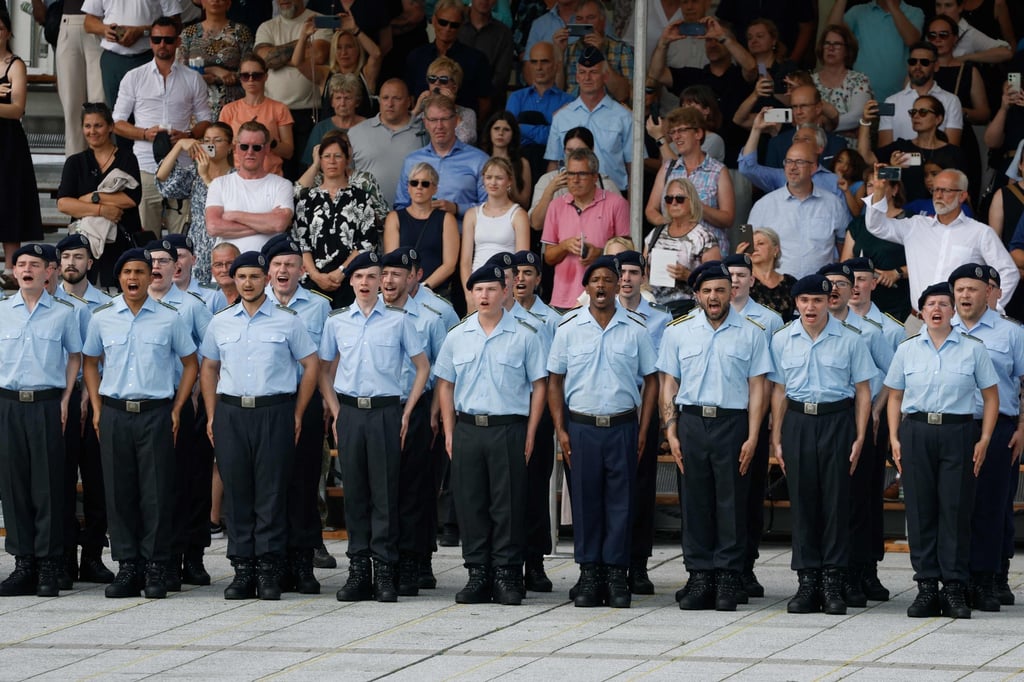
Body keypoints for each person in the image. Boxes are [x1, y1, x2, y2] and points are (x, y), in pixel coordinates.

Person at [199, 250, 319, 600]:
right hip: (232, 412)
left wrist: (297, 412)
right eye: (241, 277)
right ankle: (243, 570)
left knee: (270, 491)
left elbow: (310, 365)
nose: (248, 283)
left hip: (274, 410)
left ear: (266, 279)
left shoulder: (287, 320)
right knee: (237, 492)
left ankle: (269, 570)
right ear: (233, 281)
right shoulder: (221, 321)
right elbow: (208, 367)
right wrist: (211, 413)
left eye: (254, 276)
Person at [82, 248, 199, 599]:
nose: (133, 278)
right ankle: (127, 564)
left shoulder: (169, 317)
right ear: (118, 278)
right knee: (119, 492)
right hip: (116, 413)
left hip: (156, 412)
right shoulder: (102, 317)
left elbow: (191, 363)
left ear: (152, 277)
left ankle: (156, 566)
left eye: (140, 272)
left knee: (157, 493)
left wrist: (178, 407)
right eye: (127, 272)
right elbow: (90, 362)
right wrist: (99, 406)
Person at [659, 261, 772, 611]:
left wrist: (754, 436)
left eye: (720, 290)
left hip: (732, 424)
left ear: (731, 292)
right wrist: (671, 431)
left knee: (732, 503)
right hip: (692, 422)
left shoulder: (751, 332)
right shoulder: (677, 331)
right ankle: (699, 575)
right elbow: (668, 385)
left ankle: (727, 576)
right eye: (707, 291)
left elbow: (758, 388)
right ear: (696, 295)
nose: (714, 296)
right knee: (695, 503)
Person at [547, 255, 658, 608]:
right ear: (585, 286)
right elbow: (554, 380)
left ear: (617, 285)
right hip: (581, 427)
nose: (601, 286)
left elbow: (652, 380)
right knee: (585, 501)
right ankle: (589, 572)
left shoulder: (637, 328)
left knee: (621, 503)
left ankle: (616, 573)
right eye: (595, 280)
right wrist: (560, 429)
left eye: (608, 280)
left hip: (623, 425)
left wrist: (643, 426)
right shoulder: (568, 328)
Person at [319, 251, 430, 603]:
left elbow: (423, 367)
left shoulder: (397, 320)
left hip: (385, 411)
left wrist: (408, 410)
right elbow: (323, 370)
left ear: (382, 279)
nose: (366, 283)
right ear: (350, 281)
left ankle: (384, 570)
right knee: (355, 493)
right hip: (351, 412)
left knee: (384, 494)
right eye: (359, 277)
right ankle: (358, 571)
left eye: (372, 276)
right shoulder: (337, 321)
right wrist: (336, 411)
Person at [433, 263, 546, 605]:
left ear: (505, 292)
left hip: (508, 428)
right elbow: (446, 384)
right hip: (468, 428)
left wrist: (530, 432)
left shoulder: (526, 334)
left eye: (492, 289)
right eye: (478, 290)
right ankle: (477, 572)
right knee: (471, 504)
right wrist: (450, 432)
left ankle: (507, 573)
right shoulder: (458, 335)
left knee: (508, 504)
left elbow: (539, 386)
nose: (484, 296)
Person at [885, 281, 998, 618]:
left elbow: (991, 397)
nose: (936, 309)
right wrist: (893, 437)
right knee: (920, 510)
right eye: (930, 304)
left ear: (952, 312)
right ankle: (926, 587)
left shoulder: (972, 348)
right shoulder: (907, 349)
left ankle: (953, 587)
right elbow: (894, 395)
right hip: (916, 431)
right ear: (921, 311)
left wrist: (985, 438)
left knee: (955, 509)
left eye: (943, 304)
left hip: (958, 431)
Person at [768, 274, 875, 615]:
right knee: (803, 501)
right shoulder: (784, 339)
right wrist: (777, 436)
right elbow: (780, 391)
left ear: (829, 301)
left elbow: (863, 391)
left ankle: (833, 580)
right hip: (798, 422)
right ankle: (807, 580)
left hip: (837, 421)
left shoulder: (850, 339)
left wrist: (860, 436)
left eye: (817, 300)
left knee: (835, 502)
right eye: (804, 301)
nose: (810, 307)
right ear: (796, 303)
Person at [0, 245, 82, 598]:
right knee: (14, 485)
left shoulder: (63, 313)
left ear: (49, 272)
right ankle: (24, 563)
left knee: (48, 484)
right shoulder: (3, 312)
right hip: (9, 404)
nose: (28, 269)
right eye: (21, 264)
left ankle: (50, 564)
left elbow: (75, 357)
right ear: (14, 271)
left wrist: (65, 400)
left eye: (35, 264)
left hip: (48, 404)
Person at [948, 264, 1024, 612]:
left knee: (992, 506)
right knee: (954, 506)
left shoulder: (1010, 333)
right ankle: (956, 578)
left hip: (1000, 428)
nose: (965, 296)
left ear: (990, 293)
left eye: (973, 289)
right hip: (952, 426)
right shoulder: (940, 328)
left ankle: (987, 577)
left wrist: (1022, 430)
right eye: (960, 290)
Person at [378, 247, 447, 596]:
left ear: (413, 277)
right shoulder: (368, 312)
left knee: (416, 488)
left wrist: (436, 411)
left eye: (396, 275)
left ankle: (416, 559)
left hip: (419, 408)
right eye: (384, 273)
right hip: (379, 410)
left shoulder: (435, 314)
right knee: (383, 488)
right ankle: (387, 559)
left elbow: (446, 370)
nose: (389, 281)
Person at [863, 166, 1019, 312]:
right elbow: (876, 226)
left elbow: (1009, 272)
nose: (938, 195)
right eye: (935, 190)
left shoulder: (980, 232)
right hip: (918, 320)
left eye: (945, 190)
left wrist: (990, 309)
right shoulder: (915, 226)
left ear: (962, 196)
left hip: (959, 324)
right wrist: (878, 191)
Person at [111, 16, 214, 236]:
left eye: (168, 40)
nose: (162, 45)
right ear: (150, 42)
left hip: (183, 163)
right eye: (157, 39)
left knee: (181, 237)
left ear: (178, 42)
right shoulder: (134, 77)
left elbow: (206, 119)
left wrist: (187, 135)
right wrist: (144, 133)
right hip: (146, 165)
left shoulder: (193, 78)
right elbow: (117, 123)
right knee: (147, 236)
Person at [53, 234, 115, 589]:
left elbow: (105, 358)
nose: (71, 263)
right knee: (59, 480)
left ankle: (92, 554)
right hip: (57, 402)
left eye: (78, 256)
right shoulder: (48, 302)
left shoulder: (105, 305)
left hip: (95, 400)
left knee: (97, 482)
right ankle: (62, 556)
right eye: (65, 257)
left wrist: (90, 397)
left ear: (90, 263)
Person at [56, 102, 143, 289]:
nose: (92, 131)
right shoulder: (75, 162)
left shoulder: (127, 158)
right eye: (87, 126)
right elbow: (64, 204)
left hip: (121, 241)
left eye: (98, 125)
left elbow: (130, 199)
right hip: (84, 243)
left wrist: (92, 197)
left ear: (110, 127)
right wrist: (103, 210)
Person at [293, 132, 379, 308]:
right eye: (326, 156)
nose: (331, 161)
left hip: (352, 280)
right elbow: (302, 242)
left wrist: (341, 272)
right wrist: (316, 275)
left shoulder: (361, 198)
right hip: (313, 281)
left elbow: (367, 242)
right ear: (320, 161)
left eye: (338, 156)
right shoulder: (307, 199)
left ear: (347, 160)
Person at [540, 148, 630, 311]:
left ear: (595, 176)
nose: (575, 180)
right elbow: (548, 258)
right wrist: (564, 246)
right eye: (570, 174)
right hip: (563, 299)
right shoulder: (556, 205)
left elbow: (628, 254)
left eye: (581, 174)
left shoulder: (617, 204)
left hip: (605, 299)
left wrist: (600, 254)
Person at [253, 0, 332, 180]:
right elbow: (265, 60)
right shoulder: (267, 26)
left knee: (308, 171)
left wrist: (277, 56)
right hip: (274, 114)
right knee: (278, 173)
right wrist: (303, 45)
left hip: (310, 113)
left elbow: (318, 55)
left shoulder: (318, 20)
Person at [747, 143, 849, 280]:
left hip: (820, 290)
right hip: (776, 290)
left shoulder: (834, 203)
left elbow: (844, 247)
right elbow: (746, 246)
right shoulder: (763, 204)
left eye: (799, 162)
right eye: (788, 161)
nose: (792, 167)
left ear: (813, 168)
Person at [644, 107, 735, 253]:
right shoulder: (668, 169)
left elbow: (728, 218)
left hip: (707, 254)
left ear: (698, 133)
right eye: (673, 132)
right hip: (673, 252)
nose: (676, 137)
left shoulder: (718, 171)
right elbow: (650, 210)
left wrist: (696, 206)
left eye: (682, 130)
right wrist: (670, 224)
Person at [156, 122, 235, 286]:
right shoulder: (195, 172)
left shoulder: (237, 176)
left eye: (217, 140)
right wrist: (179, 146)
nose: (210, 145)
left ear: (230, 146)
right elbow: (162, 178)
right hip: (197, 242)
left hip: (225, 241)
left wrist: (205, 175)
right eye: (206, 140)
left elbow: (229, 204)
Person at [545, 48, 633, 193]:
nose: (587, 78)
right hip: (570, 197)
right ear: (577, 77)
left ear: (605, 76)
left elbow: (633, 167)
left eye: (593, 72)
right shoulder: (561, 117)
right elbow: (553, 163)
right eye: (582, 72)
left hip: (613, 196)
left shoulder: (624, 116)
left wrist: (631, 209)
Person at [394, 94, 488, 224]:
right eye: (433, 120)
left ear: (456, 121)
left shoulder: (479, 160)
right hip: (420, 239)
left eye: (444, 119)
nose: (439, 126)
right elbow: (401, 206)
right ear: (425, 123)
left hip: (463, 239)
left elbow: (491, 208)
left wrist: (457, 208)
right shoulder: (412, 161)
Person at [0, 9, 43, 285]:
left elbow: (16, 109)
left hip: (7, 142)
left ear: (10, 31)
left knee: (8, 197)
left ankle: (10, 269)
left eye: (1, 28)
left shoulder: (15, 64)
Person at [205, 120, 294, 254]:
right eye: (244, 147)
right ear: (236, 148)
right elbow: (213, 227)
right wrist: (265, 224)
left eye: (257, 147)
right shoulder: (219, 184)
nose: (250, 152)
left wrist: (234, 215)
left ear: (267, 149)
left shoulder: (282, 184)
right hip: (228, 269)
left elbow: (279, 224)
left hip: (267, 268)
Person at [643, 177, 722, 318]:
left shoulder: (703, 237)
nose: (673, 203)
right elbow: (641, 269)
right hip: (653, 308)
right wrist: (648, 271)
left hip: (687, 311)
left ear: (691, 201)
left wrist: (687, 275)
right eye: (669, 199)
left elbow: (715, 281)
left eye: (679, 199)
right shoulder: (656, 233)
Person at [83, 0, 182, 113]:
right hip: (113, 61)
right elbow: (88, 23)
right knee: (116, 115)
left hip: (149, 58)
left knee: (151, 112)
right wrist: (105, 29)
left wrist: (142, 31)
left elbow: (176, 24)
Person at [841, 172, 912, 322]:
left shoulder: (911, 222)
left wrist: (897, 273)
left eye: (881, 185)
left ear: (894, 190)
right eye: (870, 185)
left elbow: (925, 262)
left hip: (897, 306)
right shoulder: (858, 224)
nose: (875, 191)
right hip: (858, 306)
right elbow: (845, 264)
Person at [404, 0, 491, 119]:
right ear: (434, 20)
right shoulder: (416, 56)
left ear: (461, 26)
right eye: (443, 22)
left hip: (460, 130)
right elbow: (411, 97)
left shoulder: (476, 60)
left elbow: (484, 102)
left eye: (454, 25)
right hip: (421, 128)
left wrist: (467, 126)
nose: (448, 28)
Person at [826, 0, 925, 103]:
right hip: (861, 99)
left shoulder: (914, 12)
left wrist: (891, 5)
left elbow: (912, 41)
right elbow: (831, 32)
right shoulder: (858, 11)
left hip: (899, 98)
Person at [460, 158, 530, 303]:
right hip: (478, 285)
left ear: (509, 181)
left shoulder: (518, 214)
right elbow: (465, 261)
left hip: (505, 286)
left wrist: (513, 292)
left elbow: (521, 261)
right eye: (489, 177)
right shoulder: (472, 214)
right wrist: (469, 293)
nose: (493, 182)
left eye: (499, 178)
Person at [383, 163, 460, 294]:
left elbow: (449, 264)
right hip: (402, 292)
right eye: (414, 183)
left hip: (436, 291)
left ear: (434, 189)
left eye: (425, 184)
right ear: (408, 187)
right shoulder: (394, 217)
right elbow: (392, 260)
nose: (419, 187)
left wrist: (424, 288)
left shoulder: (447, 219)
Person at [348, 79, 424, 208]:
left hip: (414, 217)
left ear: (409, 102)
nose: (390, 103)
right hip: (367, 217)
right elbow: (344, 175)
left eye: (397, 98)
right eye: (385, 98)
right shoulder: (356, 132)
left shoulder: (424, 132)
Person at [291, 11, 381, 120]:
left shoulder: (366, 74)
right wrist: (304, 35)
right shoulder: (325, 75)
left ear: (358, 49)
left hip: (361, 134)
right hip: (330, 134)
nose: (344, 53)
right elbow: (297, 62)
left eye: (349, 47)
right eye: (338, 47)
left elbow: (376, 54)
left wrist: (355, 30)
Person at [876, 42, 963, 149]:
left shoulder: (952, 101)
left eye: (924, 62)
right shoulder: (889, 101)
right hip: (900, 164)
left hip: (938, 164)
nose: (917, 66)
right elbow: (884, 149)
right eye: (913, 62)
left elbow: (952, 149)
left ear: (936, 66)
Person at [218, 54, 294, 176]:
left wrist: (270, 141)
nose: (251, 79)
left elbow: (289, 152)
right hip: (237, 176)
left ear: (265, 77)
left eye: (256, 75)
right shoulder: (228, 110)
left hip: (271, 176)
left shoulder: (280, 108)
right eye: (245, 76)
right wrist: (238, 142)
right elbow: (219, 149)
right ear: (240, 78)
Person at [505, 41, 573, 178]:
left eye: (544, 61)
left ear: (557, 66)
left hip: (554, 170)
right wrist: (549, 128)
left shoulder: (569, 101)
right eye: (534, 62)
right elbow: (508, 134)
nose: (539, 67)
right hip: (518, 169)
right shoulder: (516, 97)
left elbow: (563, 140)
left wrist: (521, 127)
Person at [178, 0, 255, 118]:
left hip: (233, 104)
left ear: (228, 4)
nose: (215, 1)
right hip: (197, 104)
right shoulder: (188, 34)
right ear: (202, 3)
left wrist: (227, 76)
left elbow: (250, 70)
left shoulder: (241, 32)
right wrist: (211, 71)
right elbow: (180, 71)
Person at [52, 0, 105, 157]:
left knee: (100, 105)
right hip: (70, 19)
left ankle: (103, 166)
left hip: (101, 21)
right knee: (72, 107)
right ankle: (75, 170)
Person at [558, 0, 632, 102]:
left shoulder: (621, 49)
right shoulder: (569, 49)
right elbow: (558, 93)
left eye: (591, 18)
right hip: (574, 112)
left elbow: (623, 95)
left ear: (603, 21)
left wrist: (600, 54)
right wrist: (559, 53)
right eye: (579, 19)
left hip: (609, 112)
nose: (585, 23)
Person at [812, 24, 874, 142]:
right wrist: (844, 130)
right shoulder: (810, 81)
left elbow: (856, 118)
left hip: (849, 152)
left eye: (837, 44)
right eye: (827, 43)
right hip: (815, 148)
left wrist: (824, 126)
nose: (831, 48)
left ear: (847, 50)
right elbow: (804, 119)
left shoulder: (859, 80)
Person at [457, 0, 514, 110]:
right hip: (455, 100)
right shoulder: (456, 25)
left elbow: (501, 76)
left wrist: (483, 97)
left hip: (490, 105)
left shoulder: (503, 33)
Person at [300, 73, 364, 166]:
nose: (342, 103)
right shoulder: (320, 128)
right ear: (332, 102)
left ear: (357, 102)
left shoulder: (368, 127)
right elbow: (309, 164)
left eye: (347, 98)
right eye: (338, 98)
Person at [412, 56, 478, 145]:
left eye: (443, 80)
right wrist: (416, 110)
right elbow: (402, 135)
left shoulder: (467, 113)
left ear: (454, 88)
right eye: (432, 79)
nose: (437, 83)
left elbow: (466, 139)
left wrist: (450, 108)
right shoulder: (422, 113)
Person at [482, 112, 532, 209]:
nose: (500, 133)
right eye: (496, 129)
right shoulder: (480, 160)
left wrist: (508, 177)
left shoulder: (522, 163)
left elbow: (525, 203)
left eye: (506, 130)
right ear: (489, 131)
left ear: (513, 134)